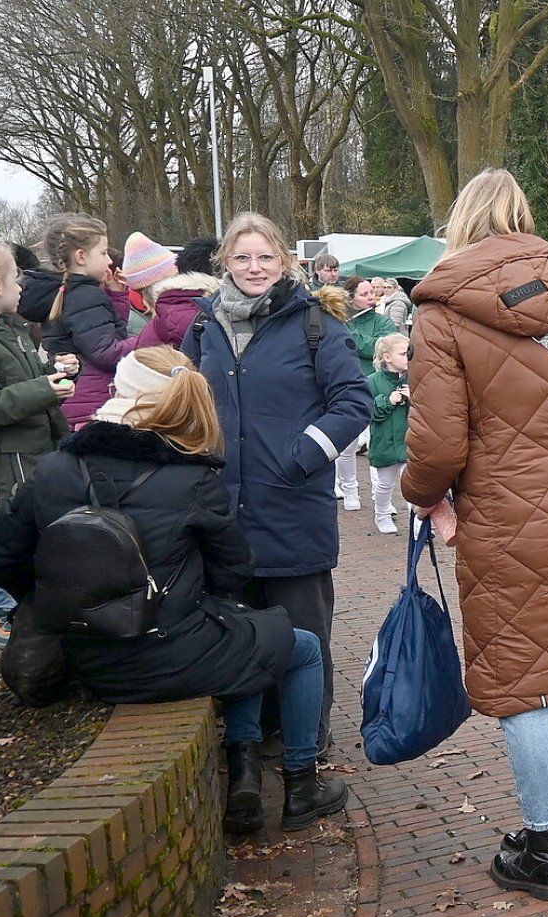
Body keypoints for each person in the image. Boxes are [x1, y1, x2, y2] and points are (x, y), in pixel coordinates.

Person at [0, 345, 349, 833]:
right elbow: (233, 569)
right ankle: (301, 784)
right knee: (296, 645)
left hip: (86, 660)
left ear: (120, 393)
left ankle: (244, 776)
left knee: (248, 632)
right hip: (169, 656)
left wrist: (58, 597)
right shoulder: (192, 477)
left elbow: (5, 556)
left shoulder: (54, 469)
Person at [404, 168, 548, 900]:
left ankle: (539, 844)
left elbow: (437, 442)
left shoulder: (440, 310)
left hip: (508, 511)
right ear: (523, 216)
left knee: (523, 681)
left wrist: (423, 497)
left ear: (462, 221)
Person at [184, 212, 373, 758]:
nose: (254, 267)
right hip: (227, 516)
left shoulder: (315, 324)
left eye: (265, 256)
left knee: (304, 637)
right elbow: (189, 404)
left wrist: (299, 458)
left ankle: (305, 746)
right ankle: (253, 740)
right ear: (224, 263)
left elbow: (354, 403)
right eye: (242, 257)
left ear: (286, 261)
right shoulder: (203, 328)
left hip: (293, 511)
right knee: (241, 638)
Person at [0, 241, 71, 643]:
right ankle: (12, 619)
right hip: (12, 466)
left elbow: (23, 379)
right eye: (15, 280)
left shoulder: (14, 332)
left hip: (38, 454)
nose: (22, 287)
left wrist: (54, 370)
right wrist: (44, 389)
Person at [17, 214, 128, 429]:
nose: (110, 261)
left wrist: (117, 297)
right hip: (91, 403)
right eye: (103, 253)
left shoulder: (64, 292)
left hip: (75, 400)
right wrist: (148, 339)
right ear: (81, 256)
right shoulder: (86, 296)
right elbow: (105, 352)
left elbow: (101, 330)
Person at [333, 277, 399, 512]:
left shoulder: (382, 321)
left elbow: (378, 348)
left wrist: (350, 335)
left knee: (376, 442)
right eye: (365, 294)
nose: (372, 297)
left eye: (373, 292)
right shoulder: (339, 320)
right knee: (347, 444)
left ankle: (378, 494)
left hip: (377, 387)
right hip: (348, 386)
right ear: (351, 298)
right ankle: (349, 489)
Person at [366, 332, 411, 535]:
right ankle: (382, 514)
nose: (408, 357)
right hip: (384, 442)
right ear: (387, 357)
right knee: (385, 484)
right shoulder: (372, 381)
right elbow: (367, 412)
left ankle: (419, 523)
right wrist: (388, 400)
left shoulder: (417, 378)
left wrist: (415, 398)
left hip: (410, 442)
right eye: (403, 353)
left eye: (410, 352)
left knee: (414, 484)